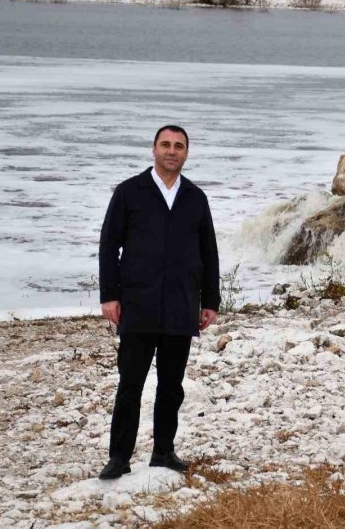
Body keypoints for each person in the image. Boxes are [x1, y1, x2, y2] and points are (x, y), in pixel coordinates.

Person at [97, 124, 220, 480]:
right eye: (165, 144)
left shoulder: (195, 198)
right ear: (154, 149)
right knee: (130, 384)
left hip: (181, 305)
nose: (171, 151)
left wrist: (210, 300)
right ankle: (119, 457)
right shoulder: (129, 192)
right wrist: (110, 295)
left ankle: (163, 452)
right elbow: (109, 245)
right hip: (138, 303)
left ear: (186, 153)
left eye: (178, 146)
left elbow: (209, 252)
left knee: (171, 386)